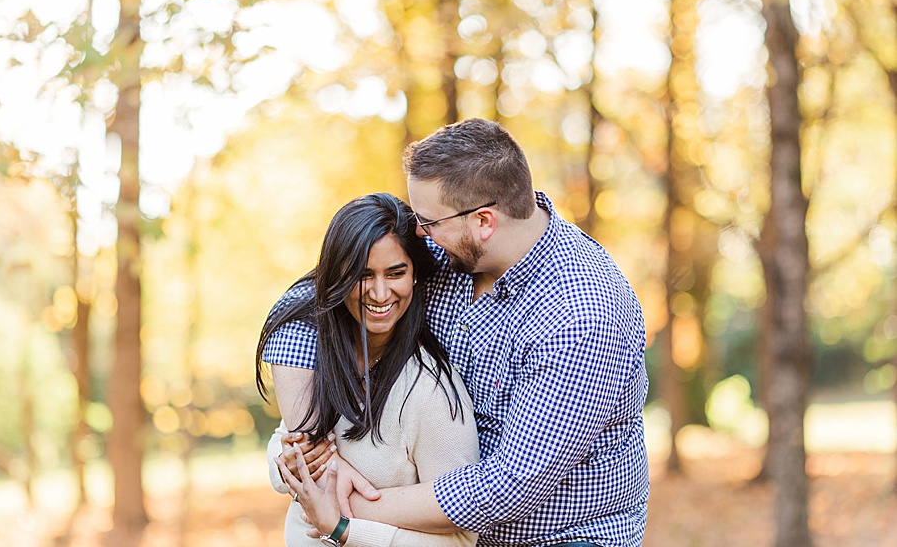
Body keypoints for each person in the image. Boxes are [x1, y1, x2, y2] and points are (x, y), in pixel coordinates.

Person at [269, 118, 650, 547]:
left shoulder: (582, 316)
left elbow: (506, 490)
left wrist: (342, 506)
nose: (417, 231)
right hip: (435, 525)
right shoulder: (449, 248)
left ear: (484, 221)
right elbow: (310, 302)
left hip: (562, 535)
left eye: (427, 220)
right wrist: (309, 435)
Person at [255, 193, 479, 547]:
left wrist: (343, 527)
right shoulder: (323, 361)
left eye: (395, 273)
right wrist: (294, 465)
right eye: (362, 275)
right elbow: (285, 445)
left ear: (415, 274)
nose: (379, 292)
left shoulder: (432, 393)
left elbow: (461, 539)